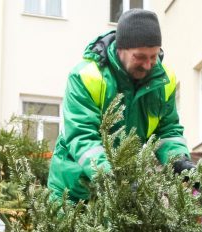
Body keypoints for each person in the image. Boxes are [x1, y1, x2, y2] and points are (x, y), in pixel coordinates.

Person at [46, 8, 194, 202]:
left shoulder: (163, 80)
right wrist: (113, 180)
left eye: (154, 56)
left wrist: (179, 161)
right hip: (73, 189)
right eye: (140, 57)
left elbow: (167, 131)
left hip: (122, 185)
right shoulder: (86, 77)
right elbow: (82, 138)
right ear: (121, 49)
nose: (149, 65)